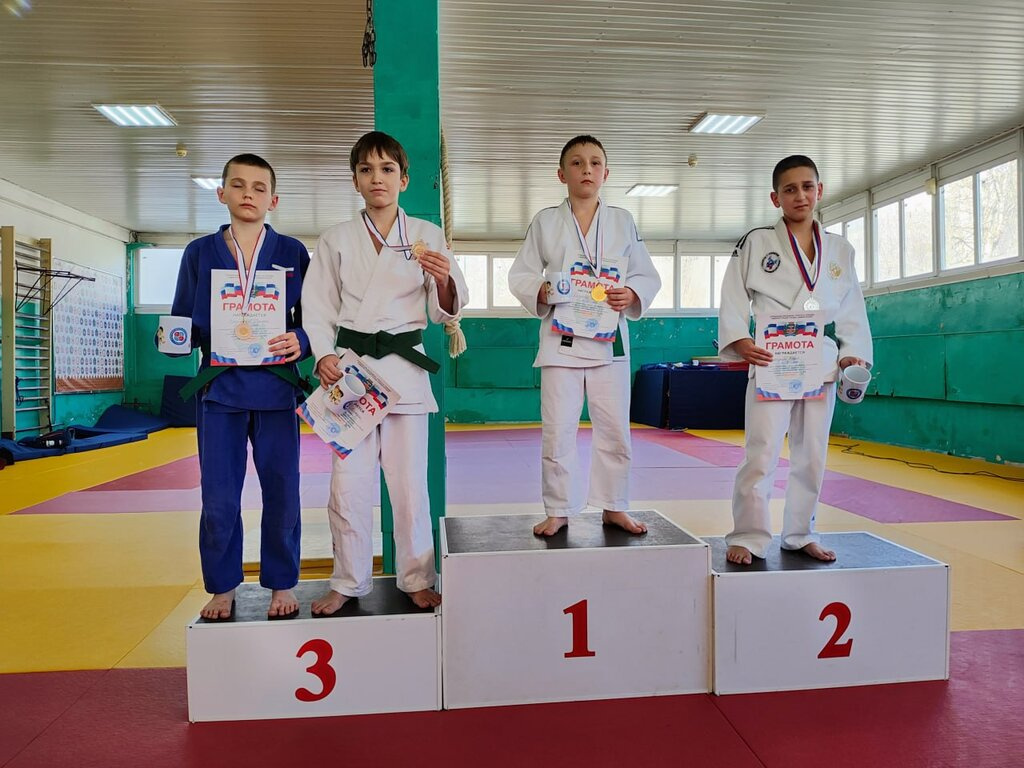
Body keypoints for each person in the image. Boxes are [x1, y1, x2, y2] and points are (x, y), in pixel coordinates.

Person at [303, 131, 469, 614]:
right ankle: (348, 579)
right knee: (347, 484)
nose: (377, 178)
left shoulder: (427, 236)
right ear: (355, 180)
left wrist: (443, 278)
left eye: (387, 169)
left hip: (404, 371)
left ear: (404, 179)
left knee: (410, 485)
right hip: (351, 375)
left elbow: (445, 309)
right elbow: (318, 306)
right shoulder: (335, 239)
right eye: (366, 170)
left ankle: (416, 577)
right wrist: (323, 354)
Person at [170, 153, 311, 619]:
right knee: (219, 498)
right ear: (222, 193)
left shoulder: (292, 252)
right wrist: (172, 338)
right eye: (238, 185)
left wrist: (303, 340)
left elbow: (312, 319)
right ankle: (223, 586)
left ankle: (281, 583)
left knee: (283, 492)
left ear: (274, 199)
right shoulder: (199, 253)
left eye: (258, 187)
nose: (248, 194)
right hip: (220, 390)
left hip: (276, 388)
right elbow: (183, 319)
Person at [718, 154, 873, 565]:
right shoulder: (756, 242)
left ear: (819, 191)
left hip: (818, 360)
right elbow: (733, 295)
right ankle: (748, 535)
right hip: (771, 357)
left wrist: (853, 353)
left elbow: (852, 308)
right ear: (776, 198)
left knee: (813, 454)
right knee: (761, 451)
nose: (800, 195)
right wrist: (739, 339)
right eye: (789, 189)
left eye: (807, 187)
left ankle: (801, 533)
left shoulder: (840, 249)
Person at [508, 134, 661, 537]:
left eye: (595, 163)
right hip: (561, 341)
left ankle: (615, 505)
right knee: (558, 429)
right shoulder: (545, 221)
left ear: (606, 173)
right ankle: (559, 508)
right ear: (562, 174)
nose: (586, 169)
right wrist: (540, 290)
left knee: (614, 429)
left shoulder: (622, 221)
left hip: (610, 341)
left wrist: (632, 293)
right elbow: (521, 273)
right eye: (576, 163)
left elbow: (646, 274)